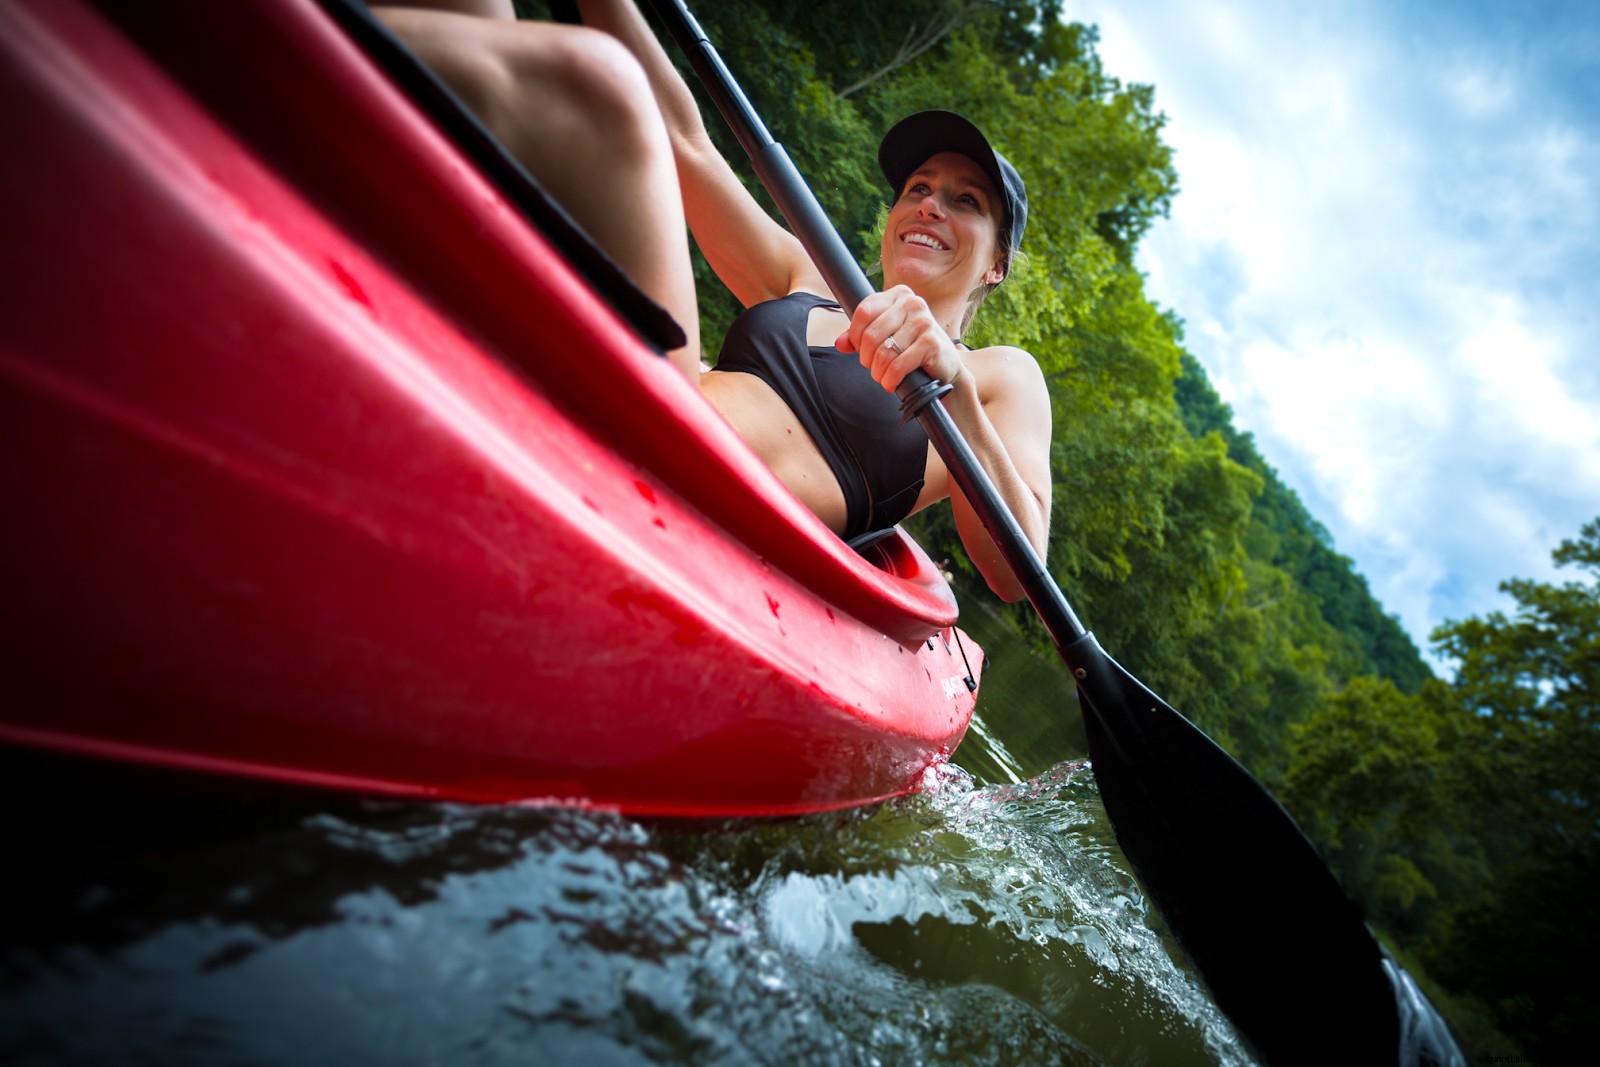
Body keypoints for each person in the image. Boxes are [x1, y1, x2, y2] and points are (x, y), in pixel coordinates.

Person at [372, 1, 1052, 602]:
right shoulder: (811, 273)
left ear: (996, 264)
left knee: (602, 90)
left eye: (965, 201)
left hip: (684, 480)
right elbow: (688, 145)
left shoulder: (997, 373)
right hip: (639, 397)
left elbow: (1017, 572)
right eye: (917, 187)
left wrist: (953, 387)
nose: (930, 203)